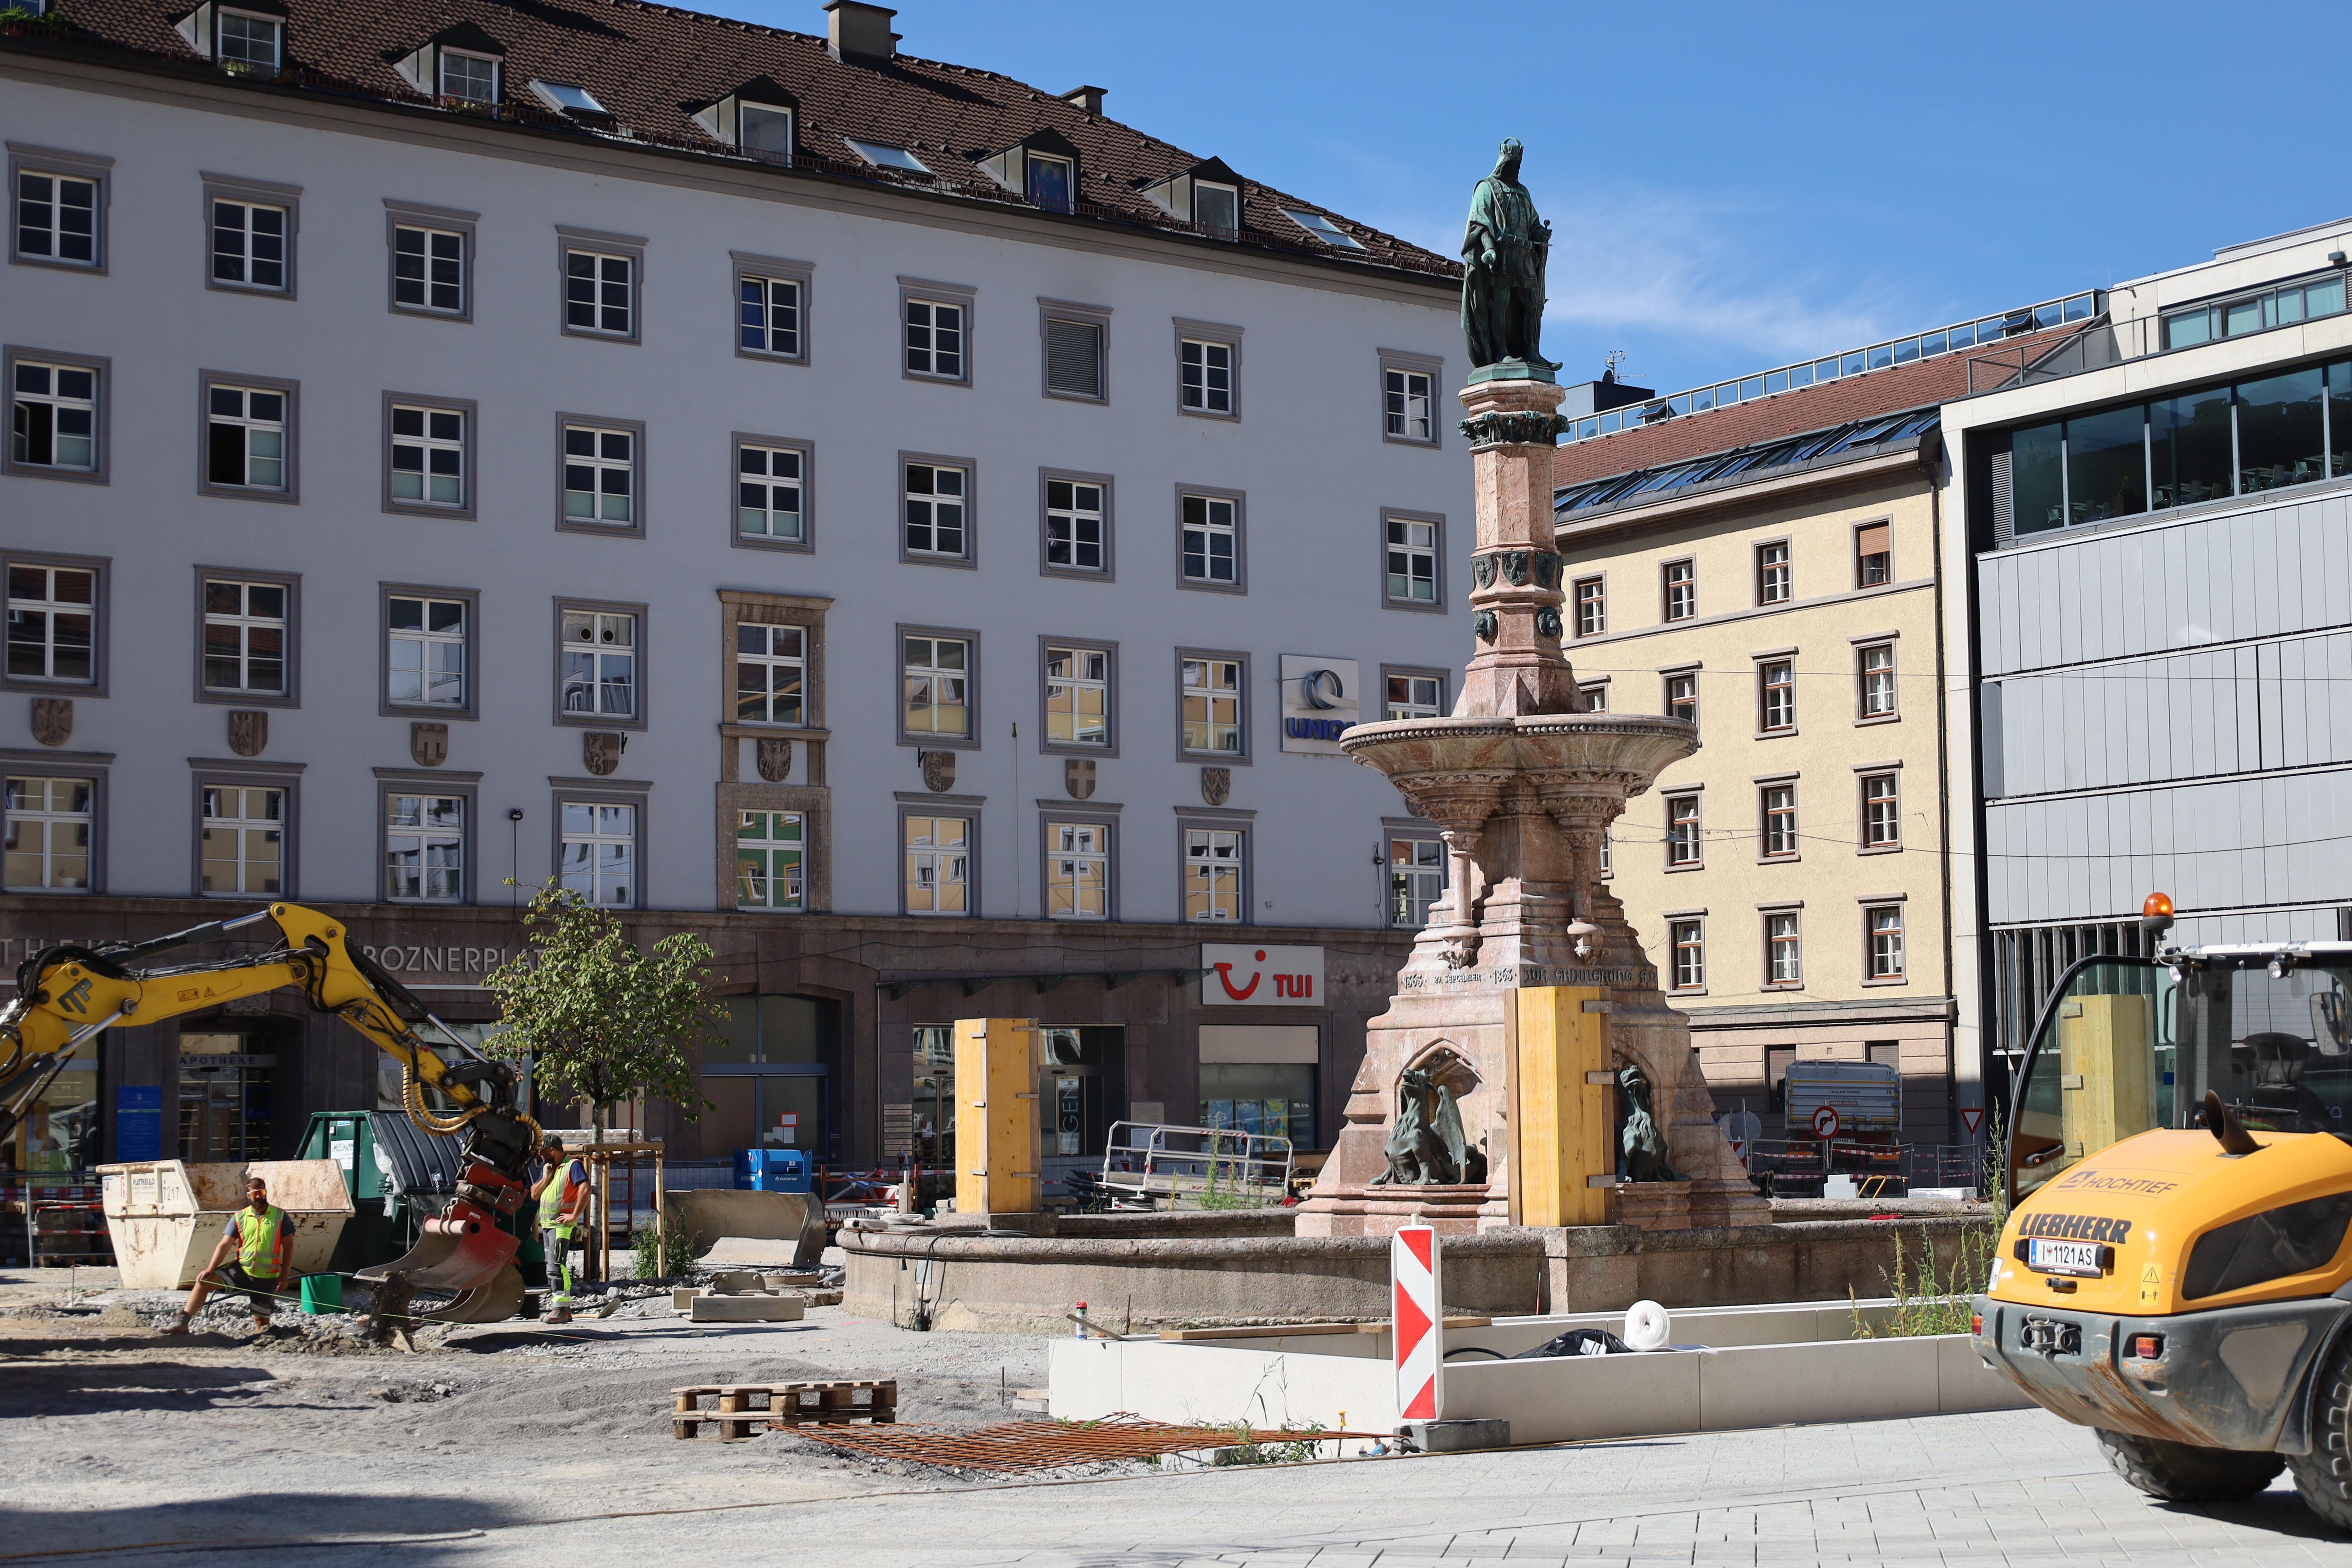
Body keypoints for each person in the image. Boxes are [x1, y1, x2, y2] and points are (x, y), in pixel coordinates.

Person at [163, 1172, 294, 1335]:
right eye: (255, 1194)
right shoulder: (240, 1217)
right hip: (242, 1270)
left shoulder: (280, 1216)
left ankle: (266, 1339)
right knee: (204, 1281)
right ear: (248, 1196)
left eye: (262, 1193)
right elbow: (224, 1244)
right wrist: (210, 1268)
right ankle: (183, 1322)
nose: (259, 1197)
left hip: (266, 1278)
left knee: (261, 1323)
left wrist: (284, 1276)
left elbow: (288, 1247)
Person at [530, 1135, 588, 1324]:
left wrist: (574, 1215)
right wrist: (546, 1176)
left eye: (543, 1153)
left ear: (553, 1151)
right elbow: (534, 1194)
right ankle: (562, 1309)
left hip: (561, 1227)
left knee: (557, 1267)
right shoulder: (549, 1169)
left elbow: (585, 1188)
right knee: (552, 1267)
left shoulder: (573, 1166)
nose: (540, 1157)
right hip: (547, 1227)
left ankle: (561, 1310)